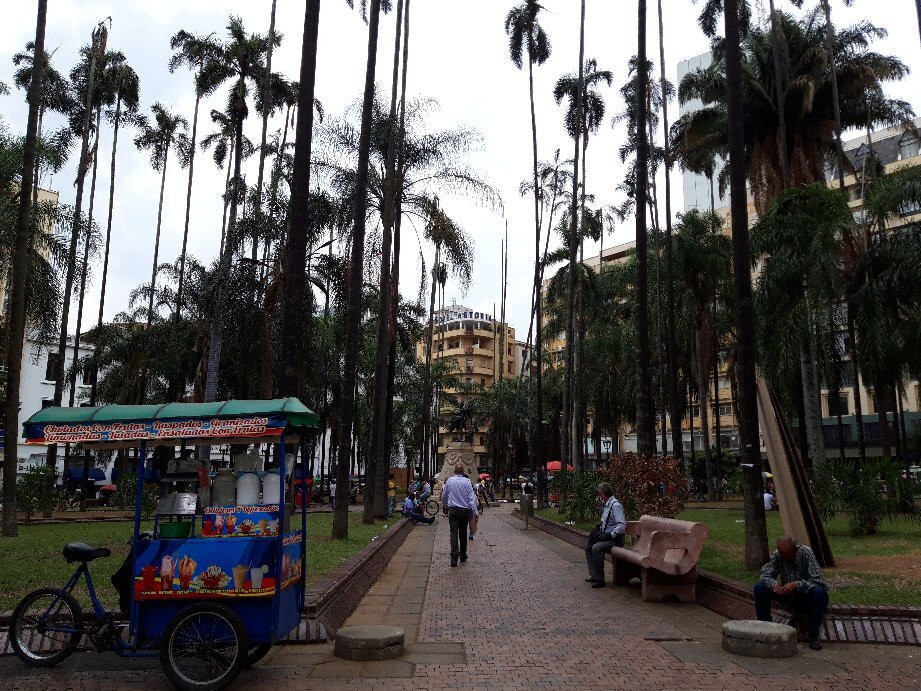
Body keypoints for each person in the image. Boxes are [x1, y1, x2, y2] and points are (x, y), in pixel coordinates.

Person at [754, 536, 829, 650]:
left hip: (805, 595)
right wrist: (773, 584)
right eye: (781, 553)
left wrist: (796, 585)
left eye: (786, 554)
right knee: (759, 588)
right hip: (787, 594)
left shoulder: (806, 553)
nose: (783, 556)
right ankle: (766, 628)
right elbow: (765, 574)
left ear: (794, 549)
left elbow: (819, 581)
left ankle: (813, 635)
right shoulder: (778, 555)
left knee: (819, 592)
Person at [584, 482, 626, 588]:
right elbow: (605, 520)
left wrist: (610, 535)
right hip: (605, 535)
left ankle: (600, 579)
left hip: (615, 539)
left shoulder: (615, 506)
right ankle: (594, 575)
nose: (599, 496)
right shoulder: (606, 504)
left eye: (600, 494)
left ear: (603, 493)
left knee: (596, 548)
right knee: (589, 546)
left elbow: (621, 525)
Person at [441, 462, 479, 567]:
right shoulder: (467, 481)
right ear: (463, 472)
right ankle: (462, 555)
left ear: (454, 471)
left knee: (453, 534)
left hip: (453, 510)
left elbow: (444, 495)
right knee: (463, 533)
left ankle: (454, 558)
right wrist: (475, 511)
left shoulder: (449, 481)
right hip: (464, 511)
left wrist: (445, 506)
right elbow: (471, 498)